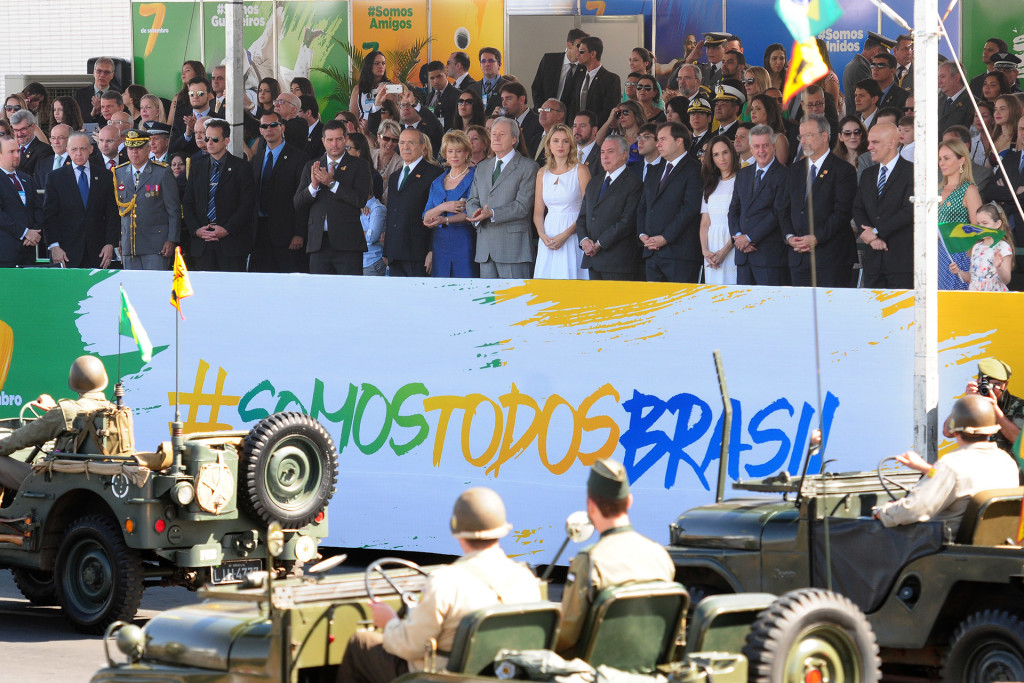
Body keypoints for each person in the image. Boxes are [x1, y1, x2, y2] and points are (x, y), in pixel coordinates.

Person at [338, 487, 541, 682]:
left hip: (443, 679)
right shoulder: (526, 579)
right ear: (501, 530)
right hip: (504, 677)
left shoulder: (446, 582)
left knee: (361, 643)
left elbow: (410, 646)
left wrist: (390, 622)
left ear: (458, 532)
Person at [555, 458, 674, 657]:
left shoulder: (590, 561)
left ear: (590, 507)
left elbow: (567, 636)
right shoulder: (660, 556)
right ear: (629, 501)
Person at [874, 395, 1018, 536]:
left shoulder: (951, 465)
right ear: (992, 429)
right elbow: (961, 481)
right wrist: (925, 468)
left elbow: (914, 510)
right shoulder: (1007, 462)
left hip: (943, 550)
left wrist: (883, 512)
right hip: (992, 548)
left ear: (954, 431)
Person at [0, 357, 117, 492]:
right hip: (99, 482)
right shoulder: (114, 411)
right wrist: (54, 410)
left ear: (73, 381)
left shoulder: (66, 411)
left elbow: (20, 439)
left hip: (59, 482)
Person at [787, 114, 857, 287]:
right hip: (799, 257)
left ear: (824, 136)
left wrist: (817, 237)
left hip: (831, 259)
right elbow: (783, 208)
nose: (803, 141)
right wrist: (789, 237)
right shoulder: (794, 170)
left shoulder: (843, 170)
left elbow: (842, 212)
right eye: (800, 136)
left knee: (832, 312)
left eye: (808, 136)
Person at [294, 120, 372, 275]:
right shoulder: (312, 165)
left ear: (345, 139)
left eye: (338, 139)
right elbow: (298, 203)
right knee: (319, 294)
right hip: (318, 244)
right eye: (330, 140)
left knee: (349, 294)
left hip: (348, 244)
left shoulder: (359, 165)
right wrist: (314, 186)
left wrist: (331, 183)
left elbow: (360, 200)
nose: (334, 144)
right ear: (323, 141)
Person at [466, 117, 539, 278]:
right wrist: (476, 213)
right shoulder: (483, 167)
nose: (496, 138)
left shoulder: (528, 167)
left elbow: (523, 206)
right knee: (489, 303)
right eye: (493, 134)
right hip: (485, 250)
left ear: (514, 139)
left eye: (502, 134)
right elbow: (472, 200)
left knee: (515, 301)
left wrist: (492, 213)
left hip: (513, 250)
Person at [181, 119, 254, 271]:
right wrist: (196, 230)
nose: (209, 143)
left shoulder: (241, 168)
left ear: (226, 140)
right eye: (207, 138)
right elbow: (188, 202)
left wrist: (226, 229)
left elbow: (247, 205)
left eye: (215, 139)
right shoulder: (197, 166)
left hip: (231, 244)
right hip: (203, 244)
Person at [637, 122, 702, 282]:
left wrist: (665, 237)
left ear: (679, 141)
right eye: (658, 139)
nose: (658, 144)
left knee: (681, 305)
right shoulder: (654, 170)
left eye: (663, 139)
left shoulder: (695, 170)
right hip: (652, 253)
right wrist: (642, 234)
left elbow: (690, 209)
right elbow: (643, 206)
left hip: (680, 255)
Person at [41, 131, 118, 269]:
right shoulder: (55, 178)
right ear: (67, 151)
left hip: (98, 253)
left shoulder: (105, 176)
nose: (79, 153)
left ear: (91, 149)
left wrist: (110, 244)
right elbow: (49, 216)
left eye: (83, 148)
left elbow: (112, 213)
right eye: (74, 149)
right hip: (66, 252)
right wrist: (54, 246)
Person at [729, 124, 791, 286]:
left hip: (769, 257)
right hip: (743, 256)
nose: (761, 151)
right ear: (751, 147)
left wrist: (749, 238)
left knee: (770, 309)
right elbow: (733, 210)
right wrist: (738, 238)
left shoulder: (784, 175)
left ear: (773, 146)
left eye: (765, 146)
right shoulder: (743, 174)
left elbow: (777, 213)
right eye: (756, 146)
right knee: (744, 308)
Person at [853, 122, 913, 288]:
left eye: (875, 142)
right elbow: (858, 208)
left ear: (892, 143)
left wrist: (877, 232)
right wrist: (870, 237)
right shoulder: (867, 174)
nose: (869, 146)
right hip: (873, 262)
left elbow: (909, 211)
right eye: (870, 142)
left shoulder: (912, 172)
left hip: (901, 262)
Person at [576, 135, 643, 281]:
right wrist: (584, 240)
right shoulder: (594, 181)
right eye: (602, 152)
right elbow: (583, 217)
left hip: (618, 262)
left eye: (610, 151)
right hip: (593, 260)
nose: (605, 156)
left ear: (624, 155)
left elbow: (627, 222)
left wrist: (599, 244)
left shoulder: (634, 184)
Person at [250, 112, 309, 273]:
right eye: (264, 126)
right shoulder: (257, 158)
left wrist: (299, 233)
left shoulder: (299, 158)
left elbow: (303, 199)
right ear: (260, 131)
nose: (269, 129)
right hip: (259, 232)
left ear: (282, 127)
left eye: (273, 125)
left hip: (287, 234)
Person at [115, 129, 180, 270]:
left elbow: (173, 210)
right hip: (129, 244)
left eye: (139, 148)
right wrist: (119, 239)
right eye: (131, 148)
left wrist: (171, 239)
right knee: (132, 288)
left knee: (154, 288)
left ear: (148, 149)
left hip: (156, 244)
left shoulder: (162, 172)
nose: (134, 152)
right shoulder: (119, 172)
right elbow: (118, 211)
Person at [532, 123, 590, 279]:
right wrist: (542, 235)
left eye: (565, 141)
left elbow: (588, 210)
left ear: (571, 144)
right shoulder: (542, 173)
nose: (560, 145)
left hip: (573, 231)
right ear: (549, 145)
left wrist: (566, 235)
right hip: (549, 233)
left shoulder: (581, 170)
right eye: (556, 141)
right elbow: (538, 212)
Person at [382, 129, 443, 277]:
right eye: (402, 143)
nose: (405, 147)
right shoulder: (395, 176)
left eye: (411, 142)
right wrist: (387, 250)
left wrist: (431, 250)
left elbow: (437, 215)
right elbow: (392, 213)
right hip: (395, 253)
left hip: (418, 254)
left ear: (423, 146)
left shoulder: (434, 173)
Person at [422, 130, 477, 278]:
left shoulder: (475, 176)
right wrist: (443, 207)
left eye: (458, 151)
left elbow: (472, 213)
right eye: (450, 151)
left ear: (466, 153)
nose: (453, 155)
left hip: (464, 240)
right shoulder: (438, 181)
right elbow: (426, 217)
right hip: (440, 243)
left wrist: (445, 219)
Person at [936, 139, 982, 291]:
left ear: (961, 160)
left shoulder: (969, 190)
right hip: (935, 253)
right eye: (940, 159)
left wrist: (947, 231)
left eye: (947, 158)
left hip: (959, 255)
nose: (942, 162)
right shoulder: (936, 190)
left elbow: (978, 229)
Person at [949, 202, 1014, 292]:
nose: (981, 227)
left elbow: (1006, 280)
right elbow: (973, 278)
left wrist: (999, 267)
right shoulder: (977, 247)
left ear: (997, 224)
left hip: (995, 298)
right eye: (978, 223)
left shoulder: (1003, 246)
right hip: (976, 297)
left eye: (985, 223)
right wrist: (958, 272)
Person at [699, 136, 738, 284]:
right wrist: (705, 250)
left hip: (732, 245)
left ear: (732, 153)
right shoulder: (710, 185)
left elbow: (742, 220)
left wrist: (725, 250)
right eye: (716, 154)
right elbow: (705, 222)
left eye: (725, 152)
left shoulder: (741, 181)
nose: (721, 158)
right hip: (711, 247)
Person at [0, 135, 42, 267]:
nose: (17, 155)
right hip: (6, 254)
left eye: (18, 151)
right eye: (11, 152)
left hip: (28, 252)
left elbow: (38, 208)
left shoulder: (27, 179)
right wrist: (24, 232)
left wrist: (34, 233)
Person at [566, 37, 621, 124]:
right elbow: (573, 105)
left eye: (581, 52)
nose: (577, 55)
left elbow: (608, 109)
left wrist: (589, 126)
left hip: (598, 130)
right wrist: (574, 125)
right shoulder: (579, 77)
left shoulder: (611, 79)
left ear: (593, 54)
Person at [533, 29, 588, 109]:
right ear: (569, 45)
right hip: (544, 113)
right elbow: (537, 88)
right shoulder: (549, 60)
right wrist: (543, 111)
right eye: (579, 46)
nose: (581, 50)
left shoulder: (584, 68)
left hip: (567, 118)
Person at [842, 33, 891, 117]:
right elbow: (873, 98)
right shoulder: (860, 68)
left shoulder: (859, 65)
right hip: (860, 122)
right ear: (876, 52)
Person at [74, 57, 121, 125]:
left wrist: (102, 110)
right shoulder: (80, 94)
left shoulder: (119, 95)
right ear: (94, 72)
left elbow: (121, 120)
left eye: (107, 72)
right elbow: (75, 120)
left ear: (112, 75)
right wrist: (91, 115)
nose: (102, 75)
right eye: (99, 71)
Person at [466, 47, 510, 117]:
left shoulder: (509, 87)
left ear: (499, 65)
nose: (487, 64)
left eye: (491, 61)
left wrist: (500, 113)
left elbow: (513, 110)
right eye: (483, 61)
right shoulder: (471, 89)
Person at [748, 93, 789, 165]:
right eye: (752, 109)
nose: (753, 112)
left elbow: (780, 168)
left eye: (758, 108)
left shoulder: (779, 139)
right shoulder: (750, 135)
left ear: (769, 111)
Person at [11, 110, 53, 178]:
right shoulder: (12, 149)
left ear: (33, 127)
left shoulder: (45, 151)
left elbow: (39, 179)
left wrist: (11, 165)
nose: (19, 134)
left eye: (23, 129)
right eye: (16, 130)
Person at [938, 61, 975, 138]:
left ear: (956, 77)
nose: (939, 82)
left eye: (943, 77)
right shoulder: (938, 101)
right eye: (938, 78)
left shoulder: (972, 103)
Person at [371, 120, 403, 205]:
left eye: (395, 140)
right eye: (386, 138)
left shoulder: (400, 163)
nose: (390, 143)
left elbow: (389, 193)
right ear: (378, 137)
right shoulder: (369, 154)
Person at [351, 51, 389, 122]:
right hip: (362, 128)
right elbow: (353, 115)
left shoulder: (389, 86)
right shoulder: (358, 88)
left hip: (383, 127)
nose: (381, 66)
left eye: (383, 63)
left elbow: (394, 112)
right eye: (377, 63)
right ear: (369, 65)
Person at [989, 95, 1022, 163]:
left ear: (1014, 110)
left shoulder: (1019, 139)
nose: (997, 113)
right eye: (995, 109)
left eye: (1002, 109)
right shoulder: (994, 136)